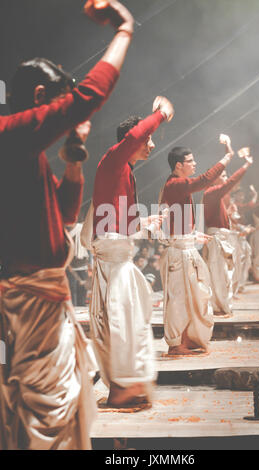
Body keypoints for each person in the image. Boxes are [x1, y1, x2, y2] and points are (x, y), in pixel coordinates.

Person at [0, 0, 135, 450]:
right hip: (27, 303)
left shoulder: (27, 152)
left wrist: (73, 165)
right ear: (40, 99)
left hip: (44, 302)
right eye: (60, 108)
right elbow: (89, 97)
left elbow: (62, 222)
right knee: (47, 421)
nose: (68, 118)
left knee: (54, 414)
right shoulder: (10, 135)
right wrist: (124, 30)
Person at [81, 96, 174, 409]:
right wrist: (160, 114)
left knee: (128, 325)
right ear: (129, 141)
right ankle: (121, 390)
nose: (150, 145)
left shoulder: (125, 172)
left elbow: (128, 223)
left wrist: (147, 223)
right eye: (147, 139)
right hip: (114, 263)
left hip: (119, 259)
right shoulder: (113, 160)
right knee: (120, 326)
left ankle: (125, 388)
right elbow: (135, 135)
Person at [158, 135, 234, 356]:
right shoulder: (175, 184)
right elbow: (204, 180)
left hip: (185, 248)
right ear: (179, 165)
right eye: (190, 161)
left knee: (194, 297)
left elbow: (176, 222)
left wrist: (193, 236)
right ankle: (176, 345)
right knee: (180, 300)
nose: (194, 164)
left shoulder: (178, 186)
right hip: (179, 254)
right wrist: (227, 156)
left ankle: (187, 340)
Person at [203, 142, 253, 317]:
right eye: (222, 175)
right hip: (217, 239)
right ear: (215, 178)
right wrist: (246, 164)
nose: (225, 177)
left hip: (221, 238)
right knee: (219, 275)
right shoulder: (212, 192)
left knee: (225, 275)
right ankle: (219, 308)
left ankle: (223, 306)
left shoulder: (215, 195)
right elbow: (232, 182)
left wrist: (228, 213)